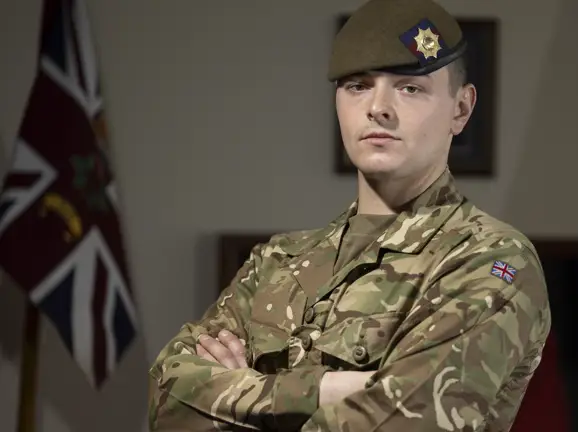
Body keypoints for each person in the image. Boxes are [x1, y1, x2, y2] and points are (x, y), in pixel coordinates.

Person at [147, 0, 552, 430]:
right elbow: (166, 403)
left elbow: (399, 423)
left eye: (410, 87)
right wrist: (326, 390)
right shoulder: (277, 262)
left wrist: (240, 392)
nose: (378, 107)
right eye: (358, 85)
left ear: (461, 109)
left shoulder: (489, 261)